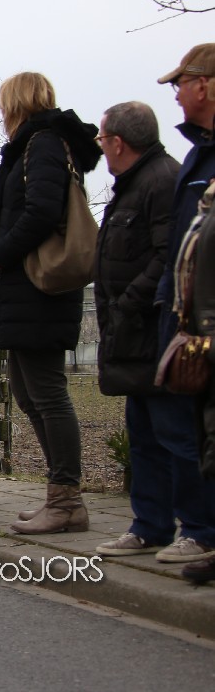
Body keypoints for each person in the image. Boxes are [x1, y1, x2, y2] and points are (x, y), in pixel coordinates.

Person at [0, 72, 100, 534]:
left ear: (16, 103)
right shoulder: (36, 145)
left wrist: (1, 253)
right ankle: (60, 495)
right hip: (26, 292)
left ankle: (67, 500)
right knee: (28, 393)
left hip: (37, 289)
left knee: (47, 393)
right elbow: (32, 203)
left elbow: (42, 211)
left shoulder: (42, 143)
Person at [92, 101, 215, 566]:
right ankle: (150, 525)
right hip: (134, 336)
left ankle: (199, 529)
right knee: (143, 434)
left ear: (118, 142)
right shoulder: (135, 183)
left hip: (154, 330)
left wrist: (129, 303)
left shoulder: (161, 181)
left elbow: (169, 256)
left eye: (103, 139)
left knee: (177, 433)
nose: (101, 148)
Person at [155, 44, 215, 583]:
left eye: (181, 82)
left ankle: (202, 529)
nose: (175, 93)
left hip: (208, 317)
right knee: (199, 429)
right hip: (190, 317)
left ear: (206, 85)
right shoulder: (197, 155)